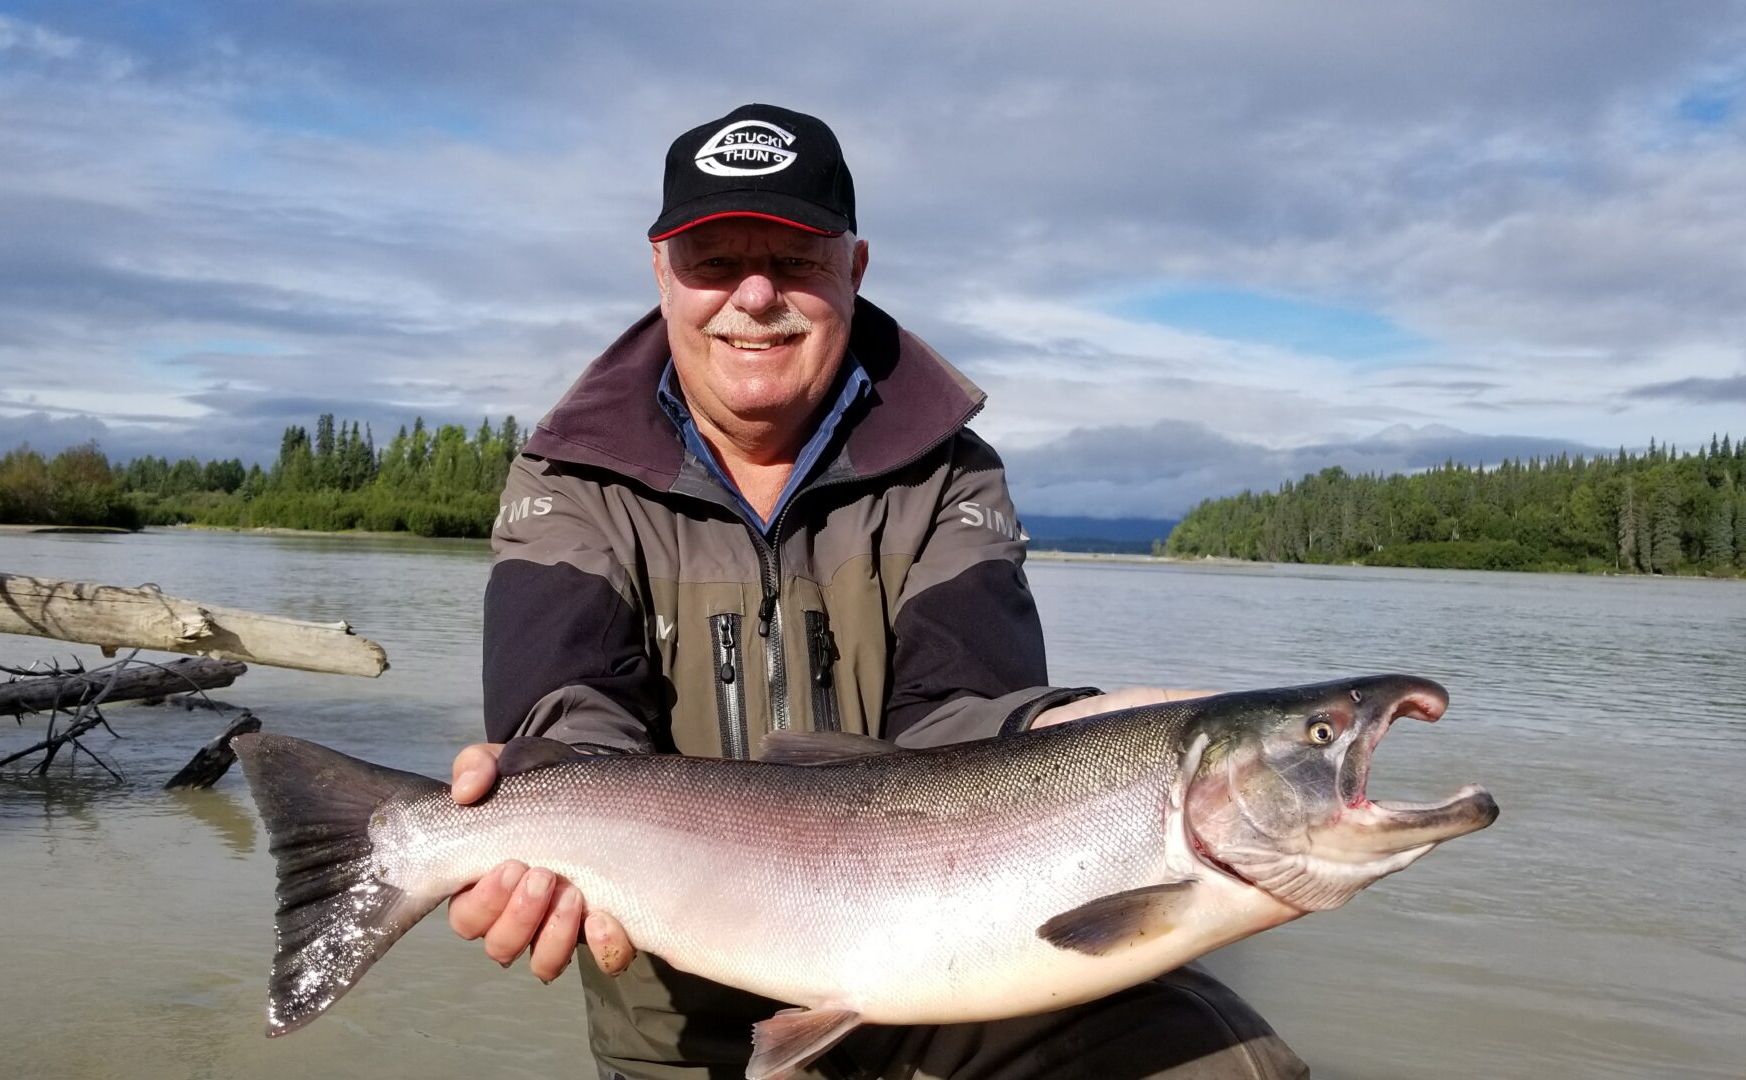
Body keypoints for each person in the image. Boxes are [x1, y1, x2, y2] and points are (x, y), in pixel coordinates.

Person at [447, 104, 1307, 1080]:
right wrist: (546, 832)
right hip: (677, 1000)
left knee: (1230, 1065)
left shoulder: (950, 473)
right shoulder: (568, 478)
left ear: (854, 269)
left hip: (948, 968)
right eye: (716, 262)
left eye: (799, 261)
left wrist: (1093, 731)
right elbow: (570, 713)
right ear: (662, 274)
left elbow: (962, 716)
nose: (755, 296)